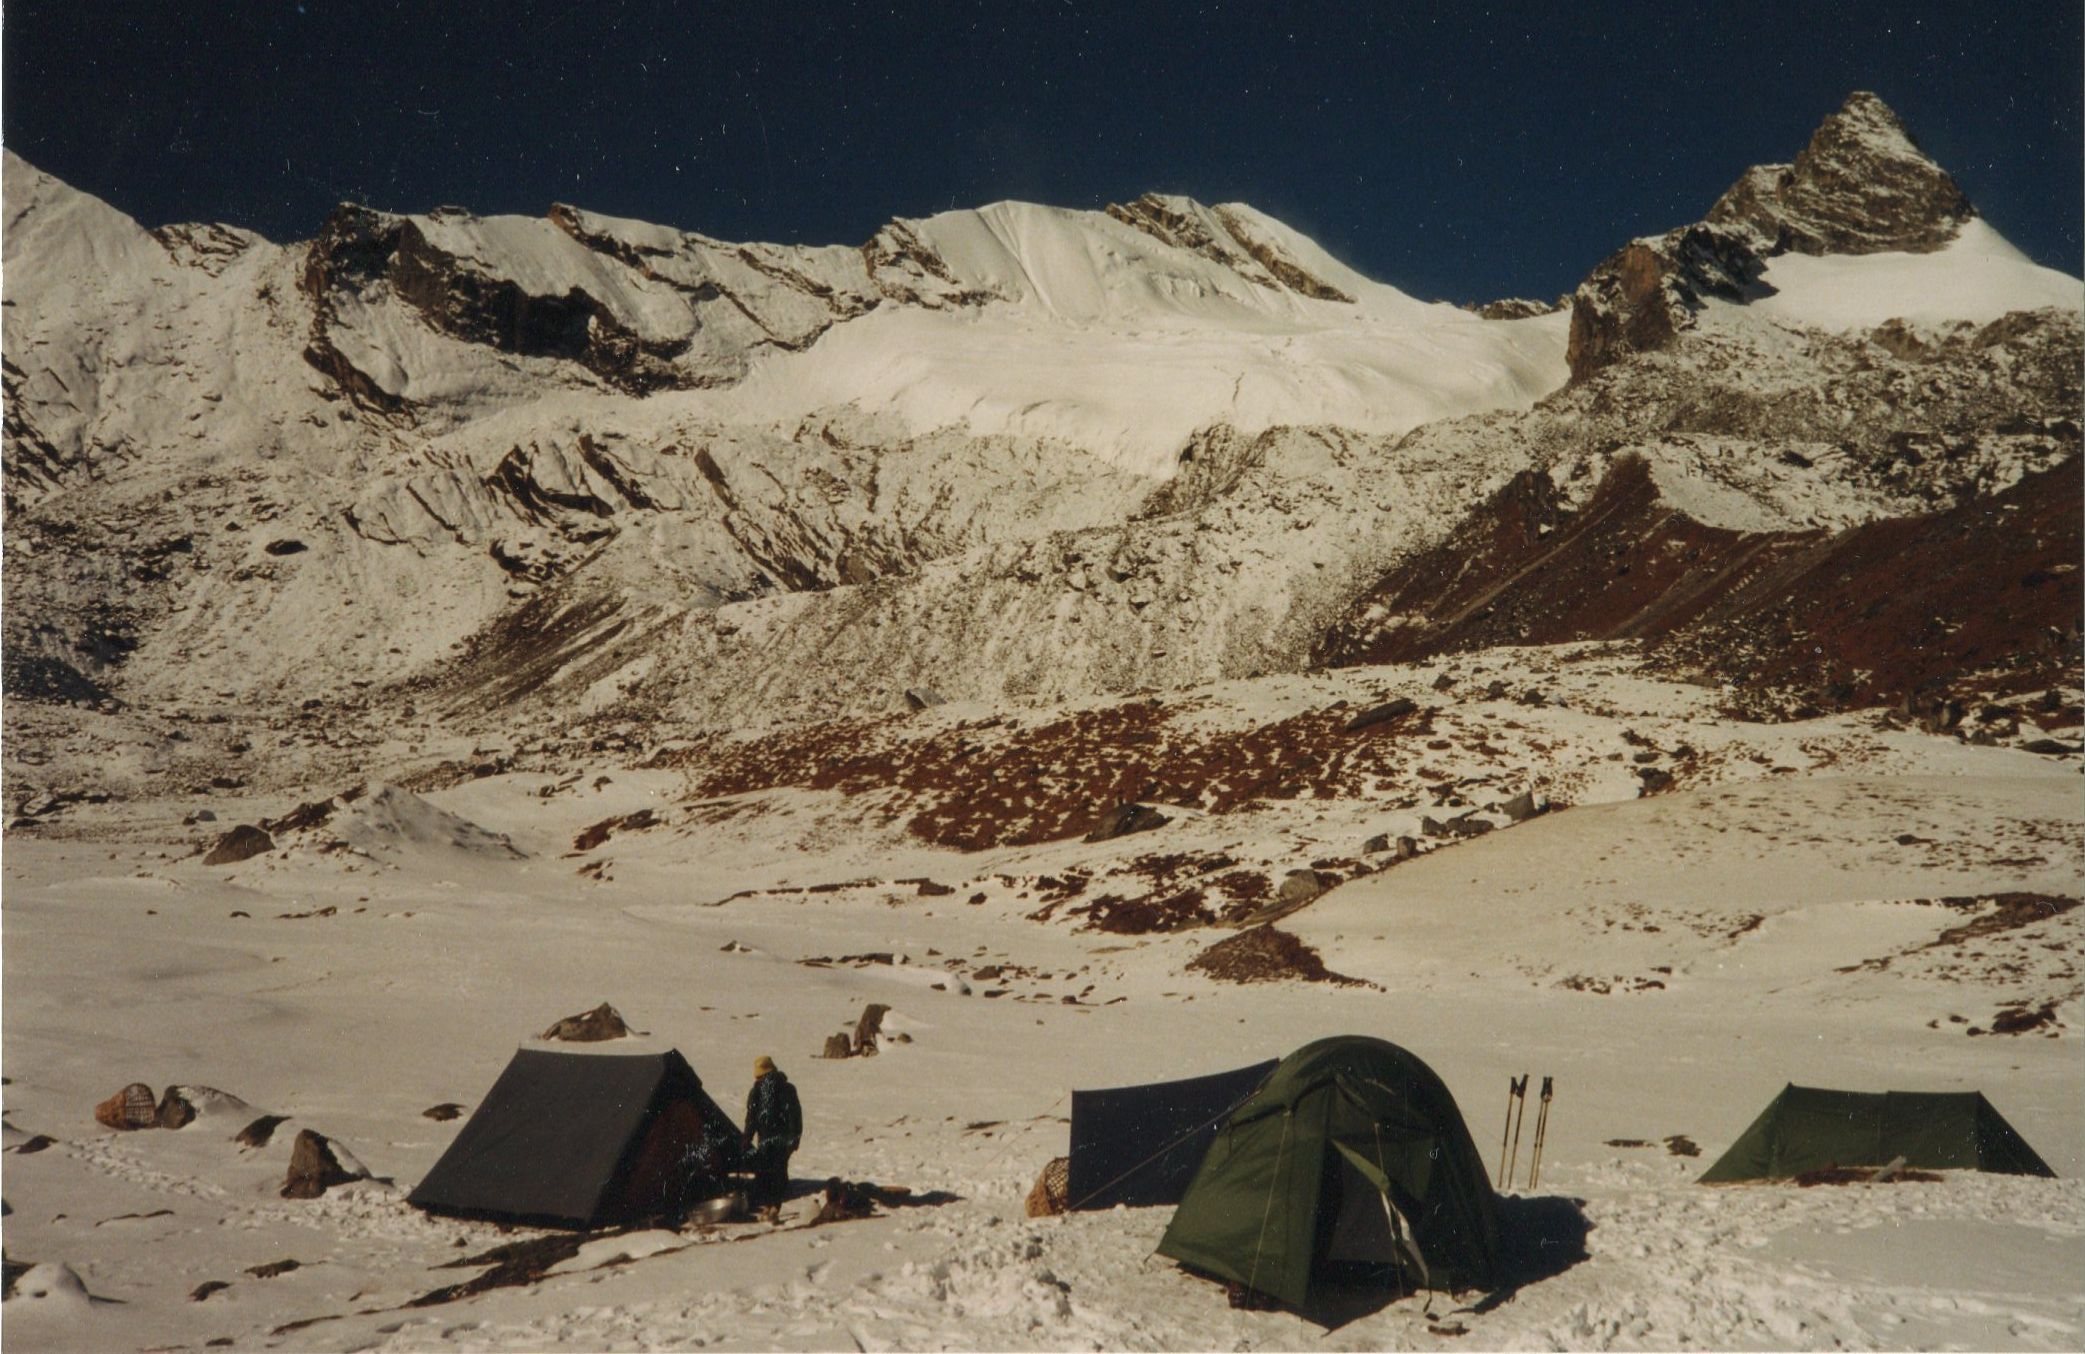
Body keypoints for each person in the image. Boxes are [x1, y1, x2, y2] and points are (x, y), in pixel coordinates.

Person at [743, 1055, 802, 1205]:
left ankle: (770, 1202)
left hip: (766, 1140)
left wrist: (746, 1138)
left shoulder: (756, 1091)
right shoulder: (788, 1088)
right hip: (784, 1139)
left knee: (766, 1172)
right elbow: (795, 1115)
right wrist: (795, 1139)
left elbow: (752, 1118)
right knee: (780, 1170)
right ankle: (778, 1198)